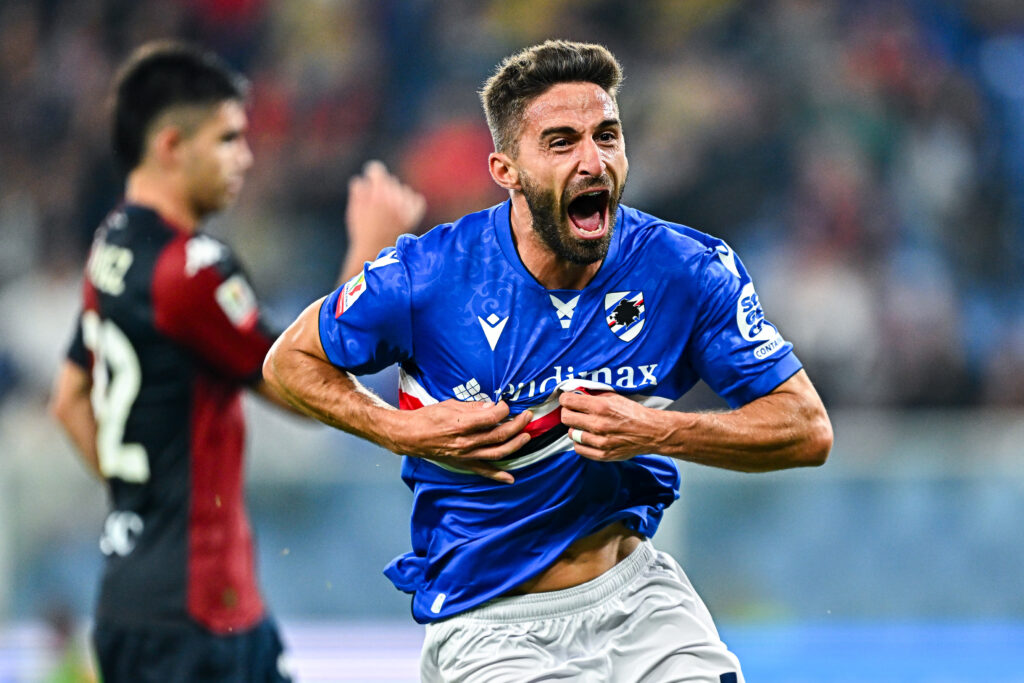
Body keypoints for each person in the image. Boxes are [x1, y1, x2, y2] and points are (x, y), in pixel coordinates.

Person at [264, 40, 833, 682]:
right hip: (491, 621)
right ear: (506, 169)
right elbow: (288, 361)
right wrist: (400, 429)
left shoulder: (686, 270)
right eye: (562, 142)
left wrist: (662, 431)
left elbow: (806, 429)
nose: (594, 161)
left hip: (637, 599)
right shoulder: (432, 275)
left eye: (607, 136)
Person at [48, 41, 424, 683]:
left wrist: (140, 504)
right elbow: (304, 386)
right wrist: (367, 249)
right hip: (199, 615)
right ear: (171, 145)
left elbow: (68, 399)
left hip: (133, 598)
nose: (244, 158)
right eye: (227, 139)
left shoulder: (110, 248)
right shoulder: (191, 272)